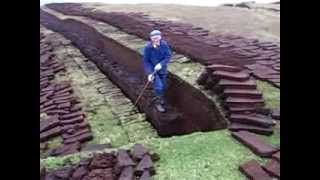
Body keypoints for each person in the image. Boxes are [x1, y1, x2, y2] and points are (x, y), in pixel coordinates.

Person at [143, 30, 172, 112]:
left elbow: (168, 56)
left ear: (160, 37)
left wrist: (161, 64)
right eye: (153, 38)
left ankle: (160, 98)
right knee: (159, 86)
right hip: (153, 70)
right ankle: (158, 103)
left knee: (163, 86)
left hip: (162, 69)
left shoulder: (164, 45)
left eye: (157, 37)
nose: (155, 39)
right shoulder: (148, 48)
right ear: (151, 39)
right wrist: (149, 73)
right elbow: (146, 61)